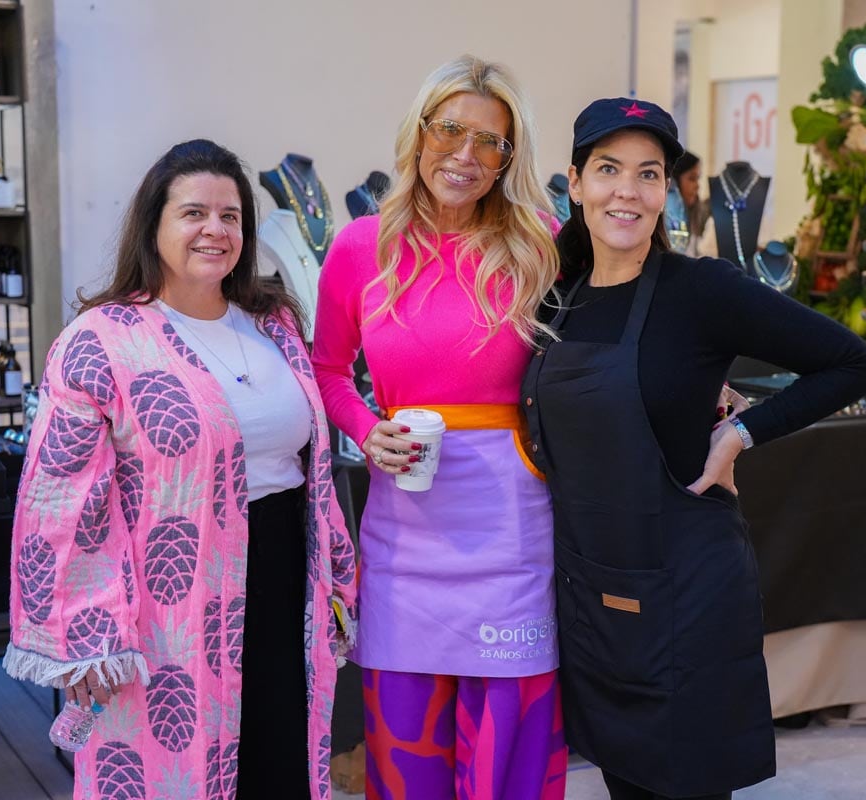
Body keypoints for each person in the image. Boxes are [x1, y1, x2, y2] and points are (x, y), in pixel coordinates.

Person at [520, 98, 866, 800]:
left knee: (685, 780)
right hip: (594, 592)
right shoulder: (555, 295)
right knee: (625, 781)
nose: (627, 190)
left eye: (648, 173)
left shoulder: (703, 290)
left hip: (685, 590)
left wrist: (741, 433)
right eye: (608, 169)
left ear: (667, 190)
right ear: (574, 183)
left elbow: (854, 364)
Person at [4, 139, 357, 800]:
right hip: (166, 610)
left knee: (278, 762)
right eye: (194, 212)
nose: (215, 230)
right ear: (155, 225)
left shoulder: (275, 325)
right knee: (172, 771)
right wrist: (89, 630)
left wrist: (335, 576)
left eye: (230, 216)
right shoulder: (104, 338)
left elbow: (310, 470)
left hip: (283, 584)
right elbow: (62, 495)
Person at [311, 55, 567, 799]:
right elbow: (326, 369)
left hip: (513, 528)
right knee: (405, 749)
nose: (465, 154)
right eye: (450, 129)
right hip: (404, 532)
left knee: (506, 760)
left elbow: (611, 341)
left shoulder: (541, 242)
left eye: (490, 141)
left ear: (508, 160)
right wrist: (365, 427)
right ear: (418, 135)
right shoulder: (360, 246)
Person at [668, 150, 716, 257]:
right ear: (675, 178)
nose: (697, 186)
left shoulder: (696, 211)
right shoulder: (671, 211)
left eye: (698, 179)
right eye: (691, 179)